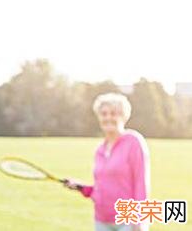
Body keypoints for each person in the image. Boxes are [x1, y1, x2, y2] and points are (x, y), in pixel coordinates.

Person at [64, 93, 150, 231]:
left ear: (123, 116)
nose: (108, 117)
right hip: (101, 220)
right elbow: (103, 188)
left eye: (113, 113)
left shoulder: (133, 142)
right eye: (104, 114)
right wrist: (81, 187)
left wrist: (139, 221)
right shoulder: (100, 150)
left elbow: (141, 185)